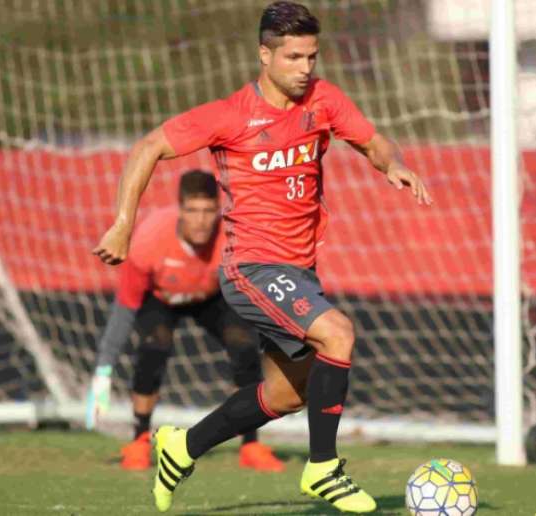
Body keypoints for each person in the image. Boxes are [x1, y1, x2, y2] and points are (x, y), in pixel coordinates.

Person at [93, 2, 431, 513]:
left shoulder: (325, 100)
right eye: (293, 57)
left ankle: (181, 447)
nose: (305, 69)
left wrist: (394, 165)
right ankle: (323, 469)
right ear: (264, 54)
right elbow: (147, 147)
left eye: (312, 56)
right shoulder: (229, 115)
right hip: (251, 267)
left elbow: (373, 142)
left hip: (300, 270)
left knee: (286, 394)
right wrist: (124, 224)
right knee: (338, 333)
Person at [86, 169, 283, 473]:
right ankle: (139, 440)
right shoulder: (148, 241)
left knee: (244, 344)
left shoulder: (234, 238)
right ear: (180, 210)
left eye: (208, 211)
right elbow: (124, 309)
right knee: (155, 344)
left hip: (210, 296)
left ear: (218, 211)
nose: (201, 220)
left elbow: (254, 291)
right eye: (192, 210)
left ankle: (251, 444)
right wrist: (102, 371)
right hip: (161, 298)